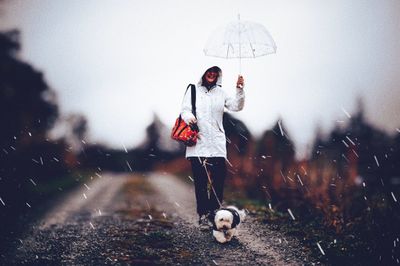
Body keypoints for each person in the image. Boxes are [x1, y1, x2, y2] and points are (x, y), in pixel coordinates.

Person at [180, 66, 245, 229]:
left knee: (219, 179)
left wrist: (239, 90)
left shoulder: (221, 93)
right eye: (209, 71)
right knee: (201, 182)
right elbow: (185, 110)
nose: (212, 74)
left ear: (218, 75)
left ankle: (214, 213)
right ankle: (203, 215)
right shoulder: (193, 90)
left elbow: (236, 106)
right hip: (198, 143)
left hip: (217, 144)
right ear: (203, 73)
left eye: (215, 72)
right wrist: (190, 119)